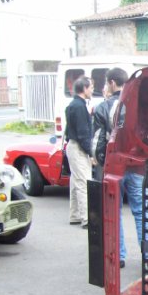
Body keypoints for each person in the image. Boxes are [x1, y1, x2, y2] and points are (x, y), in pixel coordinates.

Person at [92, 67, 142, 268]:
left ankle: (119, 255)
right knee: (141, 210)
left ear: (112, 83)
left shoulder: (103, 108)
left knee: (114, 211)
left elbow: (97, 143)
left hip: (114, 166)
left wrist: (101, 161)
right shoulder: (137, 106)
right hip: (137, 164)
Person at [65, 76, 94, 228]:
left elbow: (68, 129)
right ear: (84, 88)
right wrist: (91, 153)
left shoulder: (72, 105)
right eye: (91, 88)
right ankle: (87, 219)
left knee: (75, 181)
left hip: (72, 145)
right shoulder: (80, 107)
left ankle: (75, 214)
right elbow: (83, 133)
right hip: (78, 147)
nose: (92, 90)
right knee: (83, 182)